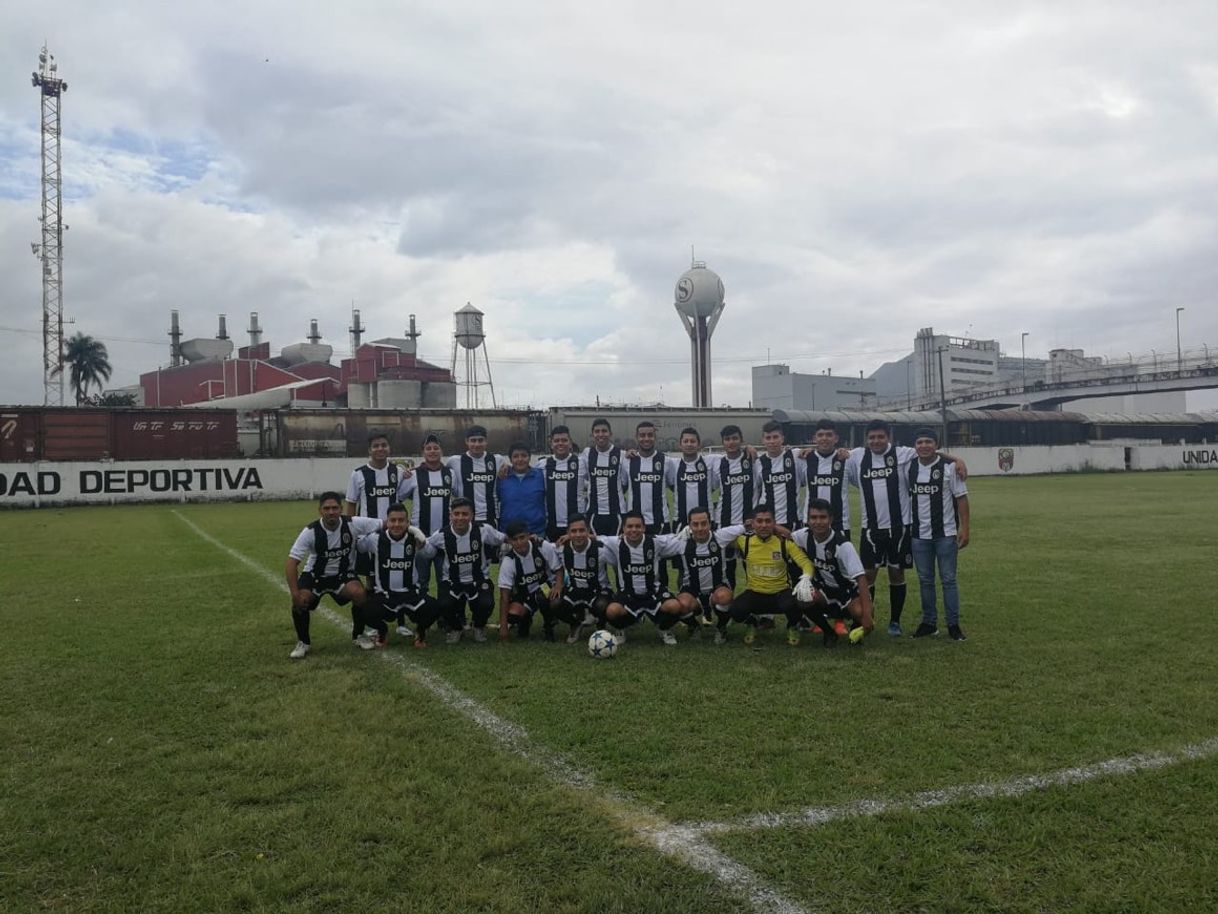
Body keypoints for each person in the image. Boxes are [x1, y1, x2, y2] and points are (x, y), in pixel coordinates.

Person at [846, 419, 967, 637]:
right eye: (872, 437)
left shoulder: (903, 454)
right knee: (868, 575)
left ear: (888, 437)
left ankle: (895, 622)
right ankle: (866, 618)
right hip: (870, 529)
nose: (876, 441)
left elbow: (930, 451)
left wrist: (957, 459)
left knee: (897, 573)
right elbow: (832, 452)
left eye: (880, 437)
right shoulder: (856, 456)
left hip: (900, 528)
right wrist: (804, 452)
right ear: (866, 440)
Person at [285, 491, 383, 659]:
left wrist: (414, 533)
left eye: (335, 508)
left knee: (360, 593)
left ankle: (358, 635)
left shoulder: (353, 523)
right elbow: (291, 563)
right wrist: (294, 593)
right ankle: (303, 642)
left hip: (342, 575)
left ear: (341, 509)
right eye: (327, 508)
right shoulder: (311, 531)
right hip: (316, 576)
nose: (331, 512)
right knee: (300, 601)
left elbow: (387, 524)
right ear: (320, 510)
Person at [728, 503, 835, 647]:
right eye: (759, 521)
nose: (764, 525)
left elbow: (806, 563)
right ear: (752, 523)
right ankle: (752, 623)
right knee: (735, 610)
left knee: (800, 600)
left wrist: (806, 577)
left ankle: (792, 626)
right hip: (754, 593)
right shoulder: (744, 541)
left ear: (774, 523)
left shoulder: (784, 543)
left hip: (780, 594)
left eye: (768, 521)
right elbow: (719, 538)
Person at [344, 433, 412, 637]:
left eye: (384, 445)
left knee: (398, 577)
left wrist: (409, 474)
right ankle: (373, 622)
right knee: (371, 581)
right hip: (368, 536)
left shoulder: (397, 472)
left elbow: (404, 494)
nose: (380, 449)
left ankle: (401, 623)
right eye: (376, 446)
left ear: (389, 448)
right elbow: (351, 505)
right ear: (369, 450)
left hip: (395, 533)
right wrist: (351, 533)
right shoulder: (358, 474)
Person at [907, 428, 970, 641]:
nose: (924, 445)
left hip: (945, 534)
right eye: (920, 442)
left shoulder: (949, 468)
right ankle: (929, 623)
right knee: (925, 580)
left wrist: (965, 529)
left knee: (949, 579)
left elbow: (961, 498)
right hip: (918, 535)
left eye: (929, 442)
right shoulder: (909, 466)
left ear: (936, 445)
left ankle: (953, 625)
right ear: (915, 446)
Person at [356, 502, 441, 647]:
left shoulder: (413, 538)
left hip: (410, 594)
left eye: (401, 520)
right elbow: (358, 545)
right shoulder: (375, 539)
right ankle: (382, 631)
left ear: (408, 523)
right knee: (363, 611)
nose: (396, 524)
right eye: (392, 520)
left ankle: (420, 632)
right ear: (387, 522)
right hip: (385, 595)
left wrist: (422, 542)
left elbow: (431, 552)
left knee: (436, 607)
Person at [598, 511, 688, 645]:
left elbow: (675, 539)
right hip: (628, 594)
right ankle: (622, 628)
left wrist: (690, 532)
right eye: (629, 526)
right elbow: (595, 538)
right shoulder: (616, 543)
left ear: (644, 528)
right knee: (612, 611)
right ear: (623, 528)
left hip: (652, 593)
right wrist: (569, 537)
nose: (633, 530)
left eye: (637, 526)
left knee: (675, 607)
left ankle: (663, 628)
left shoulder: (654, 542)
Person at [425, 497, 507, 644]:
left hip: (478, 579)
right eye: (456, 514)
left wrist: (529, 539)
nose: (460, 518)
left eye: (465, 514)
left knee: (487, 603)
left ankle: (478, 626)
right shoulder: (442, 535)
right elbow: (427, 548)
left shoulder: (483, 530)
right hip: (452, 581)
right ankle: (457, 628)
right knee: (444, 605)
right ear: (450, 515)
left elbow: (502, 538)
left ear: (472, 516)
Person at [792, 499, 874, 644]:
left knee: (862, 612)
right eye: (813, 518)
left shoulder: (843, 545)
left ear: (831, 519)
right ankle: (829, 632)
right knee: (802, 598)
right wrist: (772, 527)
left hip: (848, 591)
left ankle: (857, 625)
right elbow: (786, 536)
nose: (818, 522)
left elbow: (861, 578)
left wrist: (867, 616)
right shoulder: (803, 536)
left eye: (822, 517)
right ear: (808, 520)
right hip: (824, 590)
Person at [673, 507, 743, 643]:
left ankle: (721, 627)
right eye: (695, 524)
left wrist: (777, 529)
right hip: (692, 591)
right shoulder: (681, 542)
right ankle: (694, 626)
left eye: (704, 523)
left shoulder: (720, 536)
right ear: (689, 526)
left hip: (716, 589)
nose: (700, 528)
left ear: (710, 524)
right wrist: (625, 537)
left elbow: (745, 526)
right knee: (680, 605)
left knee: (725, 597)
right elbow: (656, 542)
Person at [398, 433, 452, 593]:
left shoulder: (450, 474)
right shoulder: (413, 475)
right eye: (428, 448)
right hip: (420, 537)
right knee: (421, 581)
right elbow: (398, 498)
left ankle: (445, 614)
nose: (432, 451)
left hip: (444, 537)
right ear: (423, 452)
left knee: (445, 580)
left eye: (436, 448)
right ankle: (422, 613)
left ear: (441, 451)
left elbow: (460, 496)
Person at [497, 521, 565, 641]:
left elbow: (558, 569)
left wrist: (558, 586)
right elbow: (504, 596)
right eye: (515, 539)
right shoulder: (509, 561)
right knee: (512, 614)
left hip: (544, 587)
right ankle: (525, 621)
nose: (519, 542)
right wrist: (503, 627)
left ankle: (549, 626)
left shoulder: (542, 546)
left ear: (528, 535)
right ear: (509, 541)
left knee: (546, 597)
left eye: (522, 537)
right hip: (524, 594)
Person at [552, 513, 612, 643]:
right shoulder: (561, 548)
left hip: (598, 591)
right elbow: (543, 548)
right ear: (567, 533)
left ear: (588, 531)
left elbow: (618, 543)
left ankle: (601, 626)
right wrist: (559, 583)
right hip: (575, 591)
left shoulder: (601, 550)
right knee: (555, 603)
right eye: (573, 531)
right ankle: (575, 624)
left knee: (602, 605)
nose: (578, 534)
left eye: (581, 530)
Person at [446, 425, 509, 529]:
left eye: (481, 440)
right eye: (473, 440)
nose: (477, 444)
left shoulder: (497, 460)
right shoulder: (454, 461)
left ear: (486, 441)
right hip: (465, 518)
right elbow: (439, 472)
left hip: (491, 517)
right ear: (466, 441)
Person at [715, 424, 755, 587]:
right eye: (727, 439)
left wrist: (749, 448)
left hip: (749, 523)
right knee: (727, 568)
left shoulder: (752, 459)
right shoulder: (716, 463)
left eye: (734, 438)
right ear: (723, 442)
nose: (731, 442)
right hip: (725, 523)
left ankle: (758, 606)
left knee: (751, 565)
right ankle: (727, 604)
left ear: (741, 440)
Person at [537, 425, 588, 541]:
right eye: (556, 441)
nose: (560, 443)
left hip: (576, 525)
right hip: (551, 523)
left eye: (564, 440)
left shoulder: (582, 463)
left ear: (570, 443)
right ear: (551, 444)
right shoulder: (542, 464)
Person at [754, 420, 806, 531]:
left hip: (793, 520)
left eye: (775, 437)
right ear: (763, 440)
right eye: (768, 438)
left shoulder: (795, 456)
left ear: (782, 438)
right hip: (767, 523)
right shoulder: (759, 463)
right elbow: (757, 489)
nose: (772, 441)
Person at [804, 419, 851, 539]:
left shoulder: (847, 459)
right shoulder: (804, 459)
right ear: (814, 438)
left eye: (829, 435)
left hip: (840, 524)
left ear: (836, 438)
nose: (824, 438)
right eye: (820, 435)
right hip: (811, 523)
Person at [583, 417, 629, 537]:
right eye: (597, 432)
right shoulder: (587, 454)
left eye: (604, 431)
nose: (601, 434)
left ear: (610, 433)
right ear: (592, 434)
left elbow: (624, 483)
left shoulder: (622, 455)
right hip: (594, 514)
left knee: (617, 551)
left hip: (617, 513)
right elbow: (582, 478)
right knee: (596, 551)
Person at [627, 421, 670, 535]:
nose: (646, 439)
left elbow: (674, 485)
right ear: (636, 437)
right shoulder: (627, 461)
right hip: (635, 524)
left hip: (660, 521)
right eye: (642, 435)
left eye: (650, 435)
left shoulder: (666, 461)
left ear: (655, 437)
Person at [497, 442, 547, 535]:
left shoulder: (541, 476)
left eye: (524, 456)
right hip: (508, 534)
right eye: (516, 456)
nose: (520, 459)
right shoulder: (502, 477)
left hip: (536, 532)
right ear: (510, 459)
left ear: (530, 457)